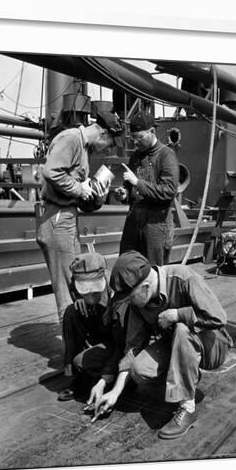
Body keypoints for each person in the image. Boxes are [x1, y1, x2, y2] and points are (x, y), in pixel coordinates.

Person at [95, 250, 233, 439]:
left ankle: (188, 407)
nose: (129, 303)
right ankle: (185, 375)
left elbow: (218, 317)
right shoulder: (139, 303)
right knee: (140, 369)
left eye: (129, 298)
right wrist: (115, 392)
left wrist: (177, 315)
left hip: (213, 345)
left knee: (182, 329)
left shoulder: (184, 277)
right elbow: (133, 347)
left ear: (144, 287)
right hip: (176, 345)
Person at [36, 112, 124, 323]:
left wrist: (97, 193)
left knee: (76, 279)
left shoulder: (82, 147)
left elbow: (80, 196)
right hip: (56, 217)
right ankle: (72, 345)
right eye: (110, 145)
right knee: (66, 287)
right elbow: (52, 172)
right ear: (103, 133)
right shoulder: (72, 138)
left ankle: (76, 338)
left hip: (66, 217)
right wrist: (79, 189)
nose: (108, 150)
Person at [58, 252, 127, 406]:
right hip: (98, 333)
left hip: (117, 343)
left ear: (104, 277)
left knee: (82, 362)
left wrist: (107, 375)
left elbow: (122, 344)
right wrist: (80, 299)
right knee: (71, 312)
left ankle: (113, 380)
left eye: (95, 290)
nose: (91, 294)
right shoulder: (76, 287)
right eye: (85, 289)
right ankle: (76, 378)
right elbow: (75, 289)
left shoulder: (118, 295)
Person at [115, 112, 179, 265]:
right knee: (126, 266)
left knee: (154, 273)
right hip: (134, 222)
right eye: (133, 138)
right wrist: (124, 194)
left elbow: (169, 191)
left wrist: (137, 182)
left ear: (152, 132)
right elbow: (130, 188)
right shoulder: (135, 157)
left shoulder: (166, 155)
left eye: (140, 137)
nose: (136, 143)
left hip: (156, 226)